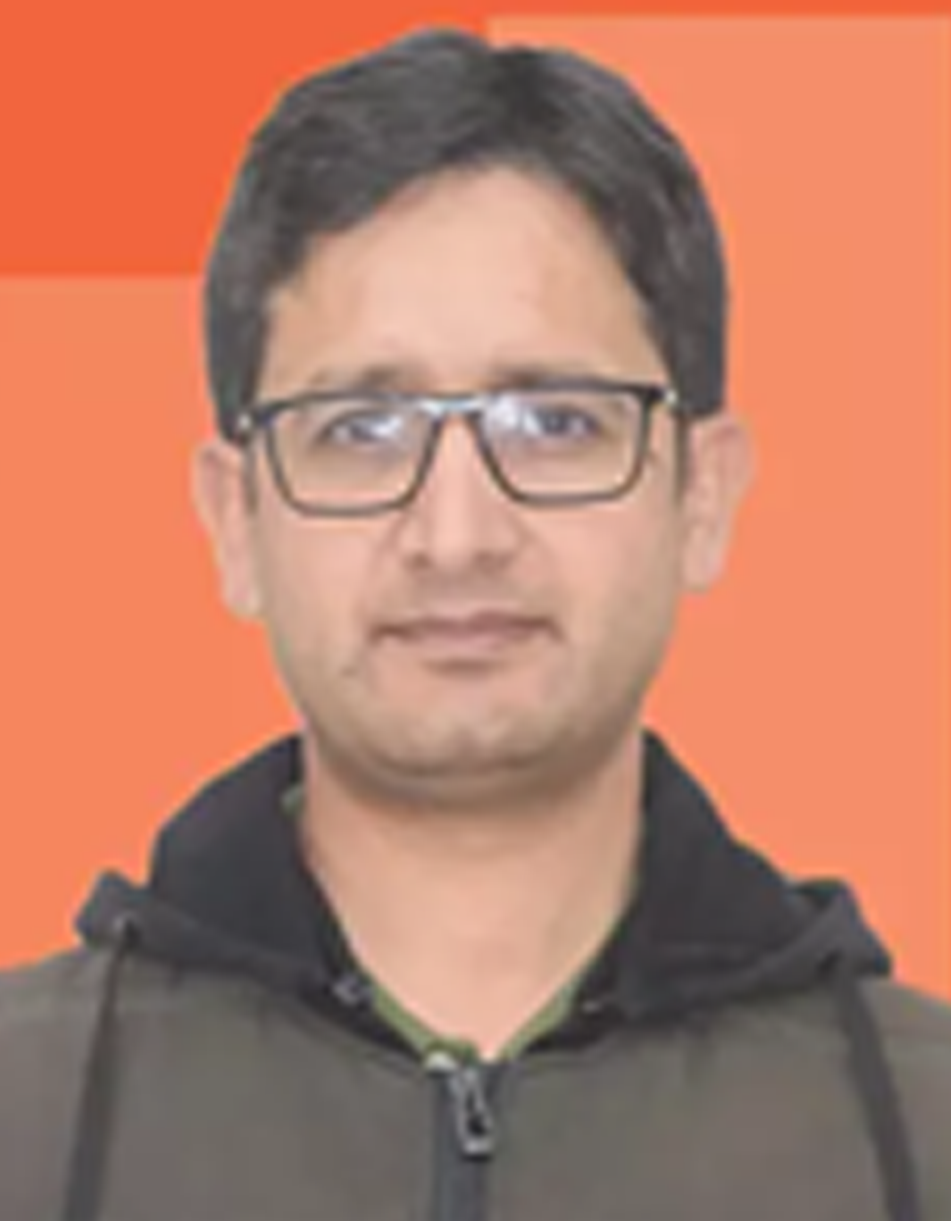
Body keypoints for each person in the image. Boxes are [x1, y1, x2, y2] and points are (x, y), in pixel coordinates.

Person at [0, 26, 948, 1221]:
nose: (456, 536)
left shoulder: (922, 1126)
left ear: (701, 494)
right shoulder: (27, 1109)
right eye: (361, 430)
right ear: (236, 516)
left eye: (554, 422)